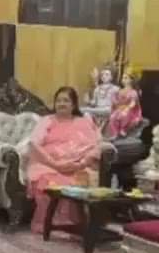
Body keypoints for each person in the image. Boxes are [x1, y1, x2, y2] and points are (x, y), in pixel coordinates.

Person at [26, 87, 102, 235]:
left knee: (76, 183)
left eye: (66, 100)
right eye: (59, 100)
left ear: (73, 105)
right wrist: (55, 164)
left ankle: (73, 225)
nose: (61, 104)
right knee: (48, 182)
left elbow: (96, 145)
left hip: (77, 166)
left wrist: (81, 163)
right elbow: (34, 144)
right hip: (47, 164)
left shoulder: (84, 122)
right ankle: (49, 224)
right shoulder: (47, 121)